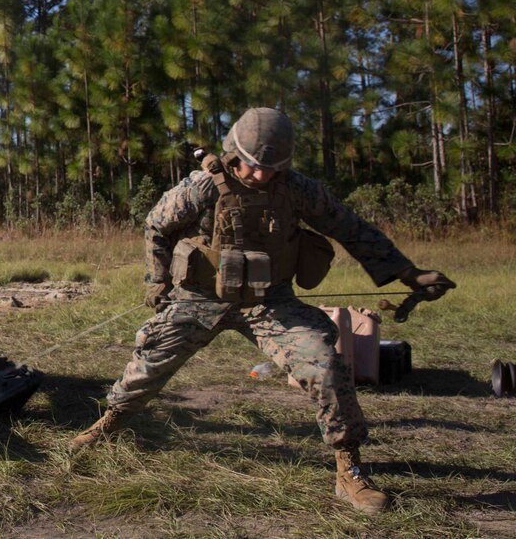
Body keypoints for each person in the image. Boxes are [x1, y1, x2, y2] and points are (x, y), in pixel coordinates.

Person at [70, 107, 455, 514]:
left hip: (271, 302)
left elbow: (351, 229)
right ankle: (108, 424)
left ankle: (349, 471)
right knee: (149, 362)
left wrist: (408, 273)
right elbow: (156, 226)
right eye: (253, 166)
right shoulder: (202, 186)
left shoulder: (298, 190)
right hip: (201, 298)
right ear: (234, 153)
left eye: (272, 168)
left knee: (324, 363)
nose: (261, 175)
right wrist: (156, 280)